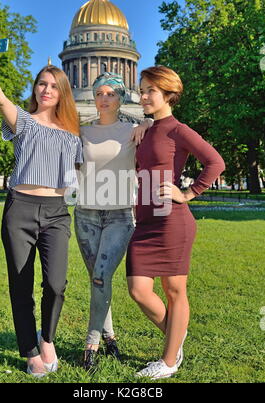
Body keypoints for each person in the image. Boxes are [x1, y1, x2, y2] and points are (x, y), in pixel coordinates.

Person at [0, 37, 83, 377]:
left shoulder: (72, 134)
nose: (47, 89)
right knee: (20, 284)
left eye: (54, 85)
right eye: (42, 83)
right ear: (35, 88)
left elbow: (76, 177)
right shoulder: (22, 121)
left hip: (56, 213)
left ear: (62, 91)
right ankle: (30, 351)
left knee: (55, 284)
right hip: (20, 209)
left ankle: (47, 338)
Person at [126, 66, 225, 379]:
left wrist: (189, 192)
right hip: (145, 222)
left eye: (149, 91)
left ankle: (169, 361)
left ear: (168, 94)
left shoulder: (178, 129)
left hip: (171, 220)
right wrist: (143, 123)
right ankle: (175, 340)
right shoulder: (147, 127)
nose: (142, 96)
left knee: (174, 290)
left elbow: (215, 162)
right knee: (138, 289)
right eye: (141, 90)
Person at [74, 72, 153, 370]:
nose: (104, 98)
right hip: (85, 214)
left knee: (100, 276)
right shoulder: (80, 130)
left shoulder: (134, 129)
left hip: (120, 215)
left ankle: (91, 344)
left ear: (121, 97)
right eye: (99, 93)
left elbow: (162, 124)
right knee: (99, 279)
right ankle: (110, 338)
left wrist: (147, 122)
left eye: (111, 93)